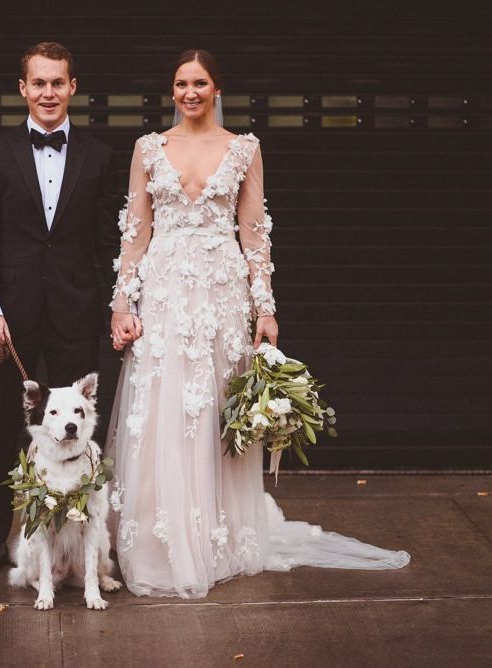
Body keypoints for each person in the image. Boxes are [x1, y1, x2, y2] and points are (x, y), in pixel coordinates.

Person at [106, 50, 410, 598]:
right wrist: (122, 305)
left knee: (216, 411)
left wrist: (265, 309)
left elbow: (253, 235)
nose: (190, 92)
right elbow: (136, 232)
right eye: (181, 83)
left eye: (199, 83)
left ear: (217, 88)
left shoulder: (244, 148)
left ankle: (218, 541)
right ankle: (162, 543)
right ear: (171, 90)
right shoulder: (149, 148)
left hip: (222, 298)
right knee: (164, 412)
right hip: (167, 292)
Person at [0, 42, 121, 578]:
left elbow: (106, 242)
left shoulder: (99, 157)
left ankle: (86, 545)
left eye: (58, 82)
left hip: (77, 313)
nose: (48, 93)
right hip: (10, 319)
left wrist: (117, 305)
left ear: (73, 87)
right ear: (23, 89)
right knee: (1, 430)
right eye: (39, 83)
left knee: (81, 430)